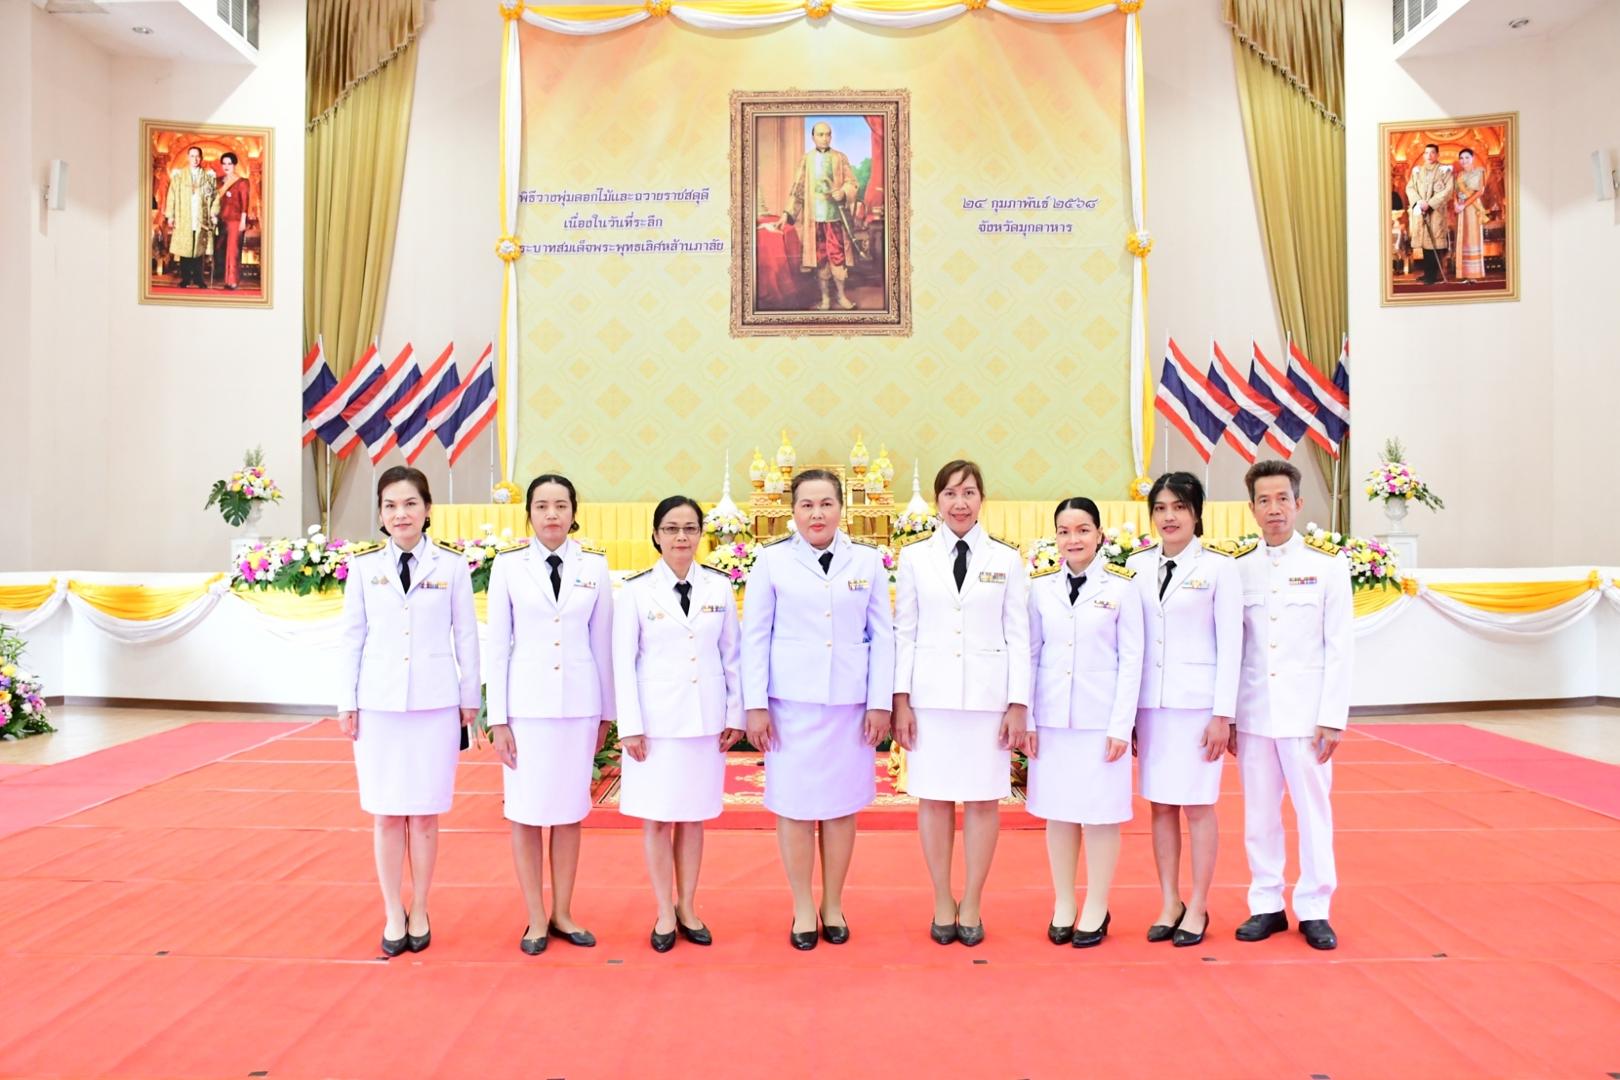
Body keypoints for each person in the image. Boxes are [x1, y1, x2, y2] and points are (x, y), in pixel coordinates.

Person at [742, 469, 894, 950]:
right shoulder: (772, 561)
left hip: (849, 706)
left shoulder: (866, 560)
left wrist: (880, 702)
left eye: (826, 503)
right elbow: (755, 636)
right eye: (807, 505)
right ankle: (802, 905)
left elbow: (883, 636)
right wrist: (755, 705)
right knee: (793, 807)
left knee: (841, 807)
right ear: (793, 511)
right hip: (790, 707)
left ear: (841, 508)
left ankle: (832, 902)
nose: (817, 514)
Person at [337, 466, 480, 957]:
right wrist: (347, 701)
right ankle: (392, 911)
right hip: (378, 706)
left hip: (435, 705)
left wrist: (470, 696)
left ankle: (420, 906)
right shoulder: (363, 568)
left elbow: (466, 634)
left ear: (427, 509)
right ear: (380, 514)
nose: (401, 514)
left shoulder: (452, 566)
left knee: (423, 816)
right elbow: (351, 638)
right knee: (385, 815)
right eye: (391, 506)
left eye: (410, 504)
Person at [892, 459, 1029, 946]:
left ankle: (971, 900)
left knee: (983, 800)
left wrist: (1018, 703)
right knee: (933, 799)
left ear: (982, 499)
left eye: (969, 492)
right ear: (937, 502)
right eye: (950, 493)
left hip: (987, 700)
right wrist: (900, 700)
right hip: (930, 699)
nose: (960, 502)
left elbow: (1019, 636)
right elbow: (904, 632)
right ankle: (941, 898)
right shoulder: (915, 557)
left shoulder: (1006, 559)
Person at [485, 474, 614, 955]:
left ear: (574, 511)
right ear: (529, 514)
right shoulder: (508, 566)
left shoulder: (594, 565)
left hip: (578, 707)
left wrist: (607, 714)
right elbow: (497, 646)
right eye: (542, 506)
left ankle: (563, 911)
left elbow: (602, 644)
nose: (552, 514)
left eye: (561, 505)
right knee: (525, 813)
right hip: (526, 710)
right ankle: (535, 916)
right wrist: (498, 718)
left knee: (568, 812)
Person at [613, 496, 744, 952]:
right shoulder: (635, 591)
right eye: (671, 529)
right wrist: (630, 725)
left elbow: (732, 656)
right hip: (655, 725)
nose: (681, 537)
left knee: (692, 819)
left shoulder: (718, 587)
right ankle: (663, 910)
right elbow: (622, 661)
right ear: (656, 535)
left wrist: (734, 714)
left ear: (701, 534)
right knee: (656, 819)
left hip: (705, 721)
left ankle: (687, 906)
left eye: (690, 528)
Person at [1232, 460, 1352, 951]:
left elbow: (1340, 647)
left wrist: (1332, 718)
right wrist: (1231, 716)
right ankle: (1266, 903)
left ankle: (1316, 907)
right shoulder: (1238, 568)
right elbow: (1234, 649)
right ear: (1252, 508)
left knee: (1312, 812)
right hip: (1255, 713)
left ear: (1299, 503)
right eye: (1264, 500)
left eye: (1282, 498)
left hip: (1306, 716)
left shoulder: (1327, 567)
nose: (1274, 509)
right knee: (1259, 814)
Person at [1126, 472, 1242, 948]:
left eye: (1179, 507)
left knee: (1197, 806)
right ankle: (1169, 901)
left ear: (1196, 513)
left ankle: (1197, 904)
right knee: (1160, 806)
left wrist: (1223, 715)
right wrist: (1129, 714)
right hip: (1151, 706)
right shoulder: (1134, 566)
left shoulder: (1218, 569)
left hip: (1198, 708)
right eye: (1160, 508)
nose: (1169, 516)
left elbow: (1232, 645)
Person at [1026, 497, 1144, 948]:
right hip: (1053, 719)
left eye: (1082, 530)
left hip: (1100, 721)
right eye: (1064, 531)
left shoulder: (1122, 588)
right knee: (1058, 813)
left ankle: (1096, 904)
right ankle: (1063, 902)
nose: (1073, 539)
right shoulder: (1040, 588)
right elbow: (1031, 654)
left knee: (1100, 815)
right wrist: (1029, 717)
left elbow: (1132, 660)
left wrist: (1121, 725)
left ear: (1099, 535)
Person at [784, 121, 863, 311]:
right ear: (813, 137)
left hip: (836, 218)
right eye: (820, 134)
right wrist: (787, 214)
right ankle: (825, 299)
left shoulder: (840, 158)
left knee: (838, 258)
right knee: (820, 259)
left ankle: (841, 296)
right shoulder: (807, 160)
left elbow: (852, 183)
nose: (825, 138)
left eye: (828, 134)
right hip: (814, 219)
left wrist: (843, 192)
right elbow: (798, 188)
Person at [164, 145, 216, 288]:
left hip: (200, 217)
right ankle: (185, 278)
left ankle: (199, 279)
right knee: (185, 248)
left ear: (201, 158)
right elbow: (171, 196)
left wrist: (213, 213)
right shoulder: (179, 176)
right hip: (184, 216)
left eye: (197, 156)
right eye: (192, 156)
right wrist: (170, 215)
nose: (195, 159)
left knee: (199, 248)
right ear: (188, 157)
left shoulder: (208, 177)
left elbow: (214, 197)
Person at [1404, 143, 1453, 285]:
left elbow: (1448, 190)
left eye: (1432, 152)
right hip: (1421, 211)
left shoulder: (1444, 171)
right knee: (1425, 244)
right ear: (1423, 155)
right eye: (1426, 153)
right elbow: (1410, 188)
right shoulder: (1418, 171)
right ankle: (1427, 273)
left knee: (1434, 243)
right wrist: (1418, 202)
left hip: (1436, 212)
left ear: (1437, 155)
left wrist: (1430, 204)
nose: (1429, 155)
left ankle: (1434, 275)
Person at [212, 152, 252, 291]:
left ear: (234, 165)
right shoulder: (219, 181)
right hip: (221, 220)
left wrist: (243, 221)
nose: (226, 166)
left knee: (232, 251)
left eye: (229, 163)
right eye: (224, 163)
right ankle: (225, 279)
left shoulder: (242, 182)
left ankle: (232, 281)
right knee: (220, 250)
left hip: (235, 221)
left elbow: (245, 202)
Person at [1452, 148, 1486, 283]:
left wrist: (1464, 205)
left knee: (1472, 237)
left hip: (1473, 208)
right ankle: (1465, 274)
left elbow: (1480, 191)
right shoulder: (1459, 175)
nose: (1464, 160)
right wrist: (1456, 203)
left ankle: (1474, 274)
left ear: (1473, 158)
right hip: (1461, 209)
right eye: (1461, 158)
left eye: (1467, 157)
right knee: (1462, 238)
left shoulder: (1479, 172)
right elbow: (1455, 191)